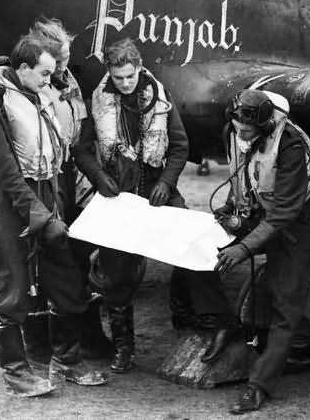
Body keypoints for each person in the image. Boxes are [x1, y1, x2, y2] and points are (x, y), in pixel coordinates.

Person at [73, 37, 233, 373]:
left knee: (195, 246)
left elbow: (180, 146)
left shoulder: (160, 97)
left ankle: (206, 322)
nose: (125, 83)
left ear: (139, 68)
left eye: (130, 76)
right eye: (118, 78)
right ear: (110, 72)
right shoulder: (97, 101)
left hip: (157, 190)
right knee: (115, 273)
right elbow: (82, 150)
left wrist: (167, 182)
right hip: (119, 196)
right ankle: (124, 348)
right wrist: (98, 177)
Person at [0, 33, 107, 397]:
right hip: (9, 198)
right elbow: (6, 169)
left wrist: (54, 206)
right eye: (45, 72)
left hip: (45, 193)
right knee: (14, 286)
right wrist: (39, 216)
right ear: (24, 68)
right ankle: (16, 373)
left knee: (66, 277)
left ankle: (66, 360)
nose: (52, 78)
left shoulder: (36, 93)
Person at [213, 89, 310, 415]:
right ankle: (229, 332)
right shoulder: (234, 130)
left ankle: (259, 386)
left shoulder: (290, 145)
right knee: (203, 258)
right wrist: (232, 208)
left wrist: (244, 247)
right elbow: (244, 172)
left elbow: (284, 212)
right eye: (236, 128)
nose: (240, 135)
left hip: (294, 224)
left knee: (286, 306)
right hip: (259, 213)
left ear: (264, 127)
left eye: (247, 132)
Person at [20, 18, 114, 366]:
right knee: (45, 260)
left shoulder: (68, 80)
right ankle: (45, 347)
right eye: (57, 61)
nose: (62, 67)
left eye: (66, 59)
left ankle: (83, 339)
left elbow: (81, 133)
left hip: (70, 174)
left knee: (76, 255)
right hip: (44, 179)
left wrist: (96, 174)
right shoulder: (30, 86)